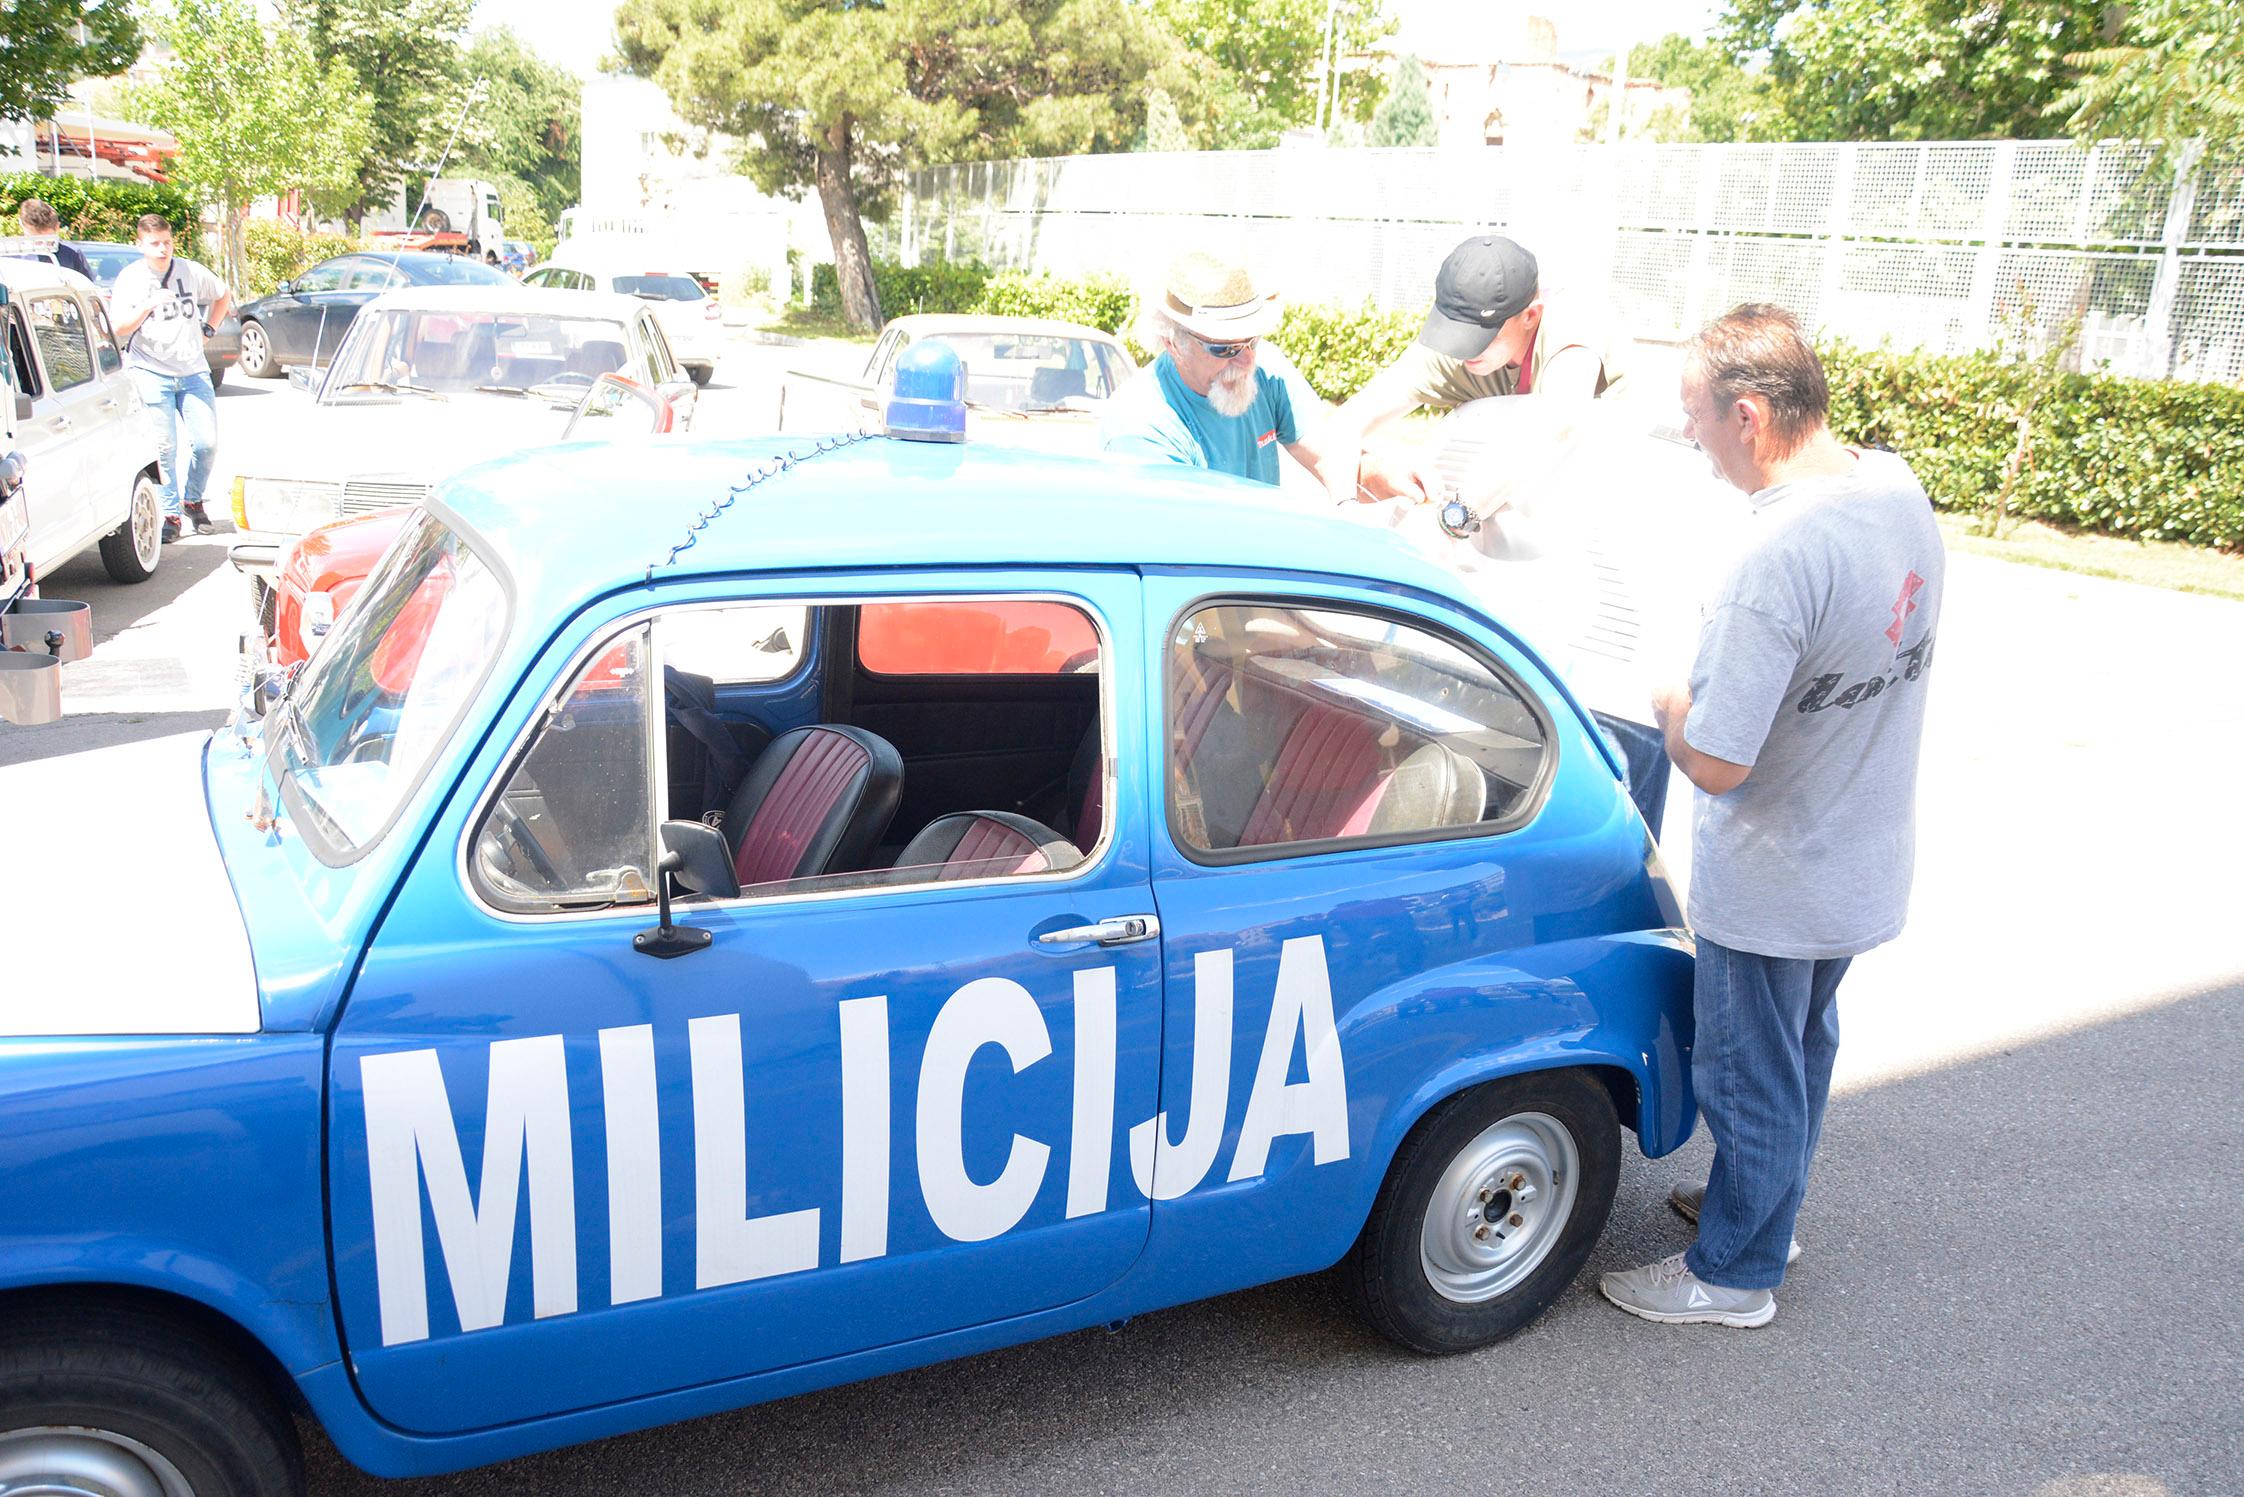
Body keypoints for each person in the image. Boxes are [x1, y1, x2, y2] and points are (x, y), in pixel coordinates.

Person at [1598, 303, 1945, 1328]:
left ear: (1747, 416)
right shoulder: (1893, 486)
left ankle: (1735, 1272)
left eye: (1696, 420)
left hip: (1778, 869)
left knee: (1748, 1070)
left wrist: (1665, 700)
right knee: (1801, 1048)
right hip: (1860, 850)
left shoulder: (1773, 564)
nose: (1694, 443)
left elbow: (1714, 759)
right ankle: (1767, 1207)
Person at [1099, 251, 1345, 489]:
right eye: (1225, 349)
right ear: (1172, 343)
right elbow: (1181, 527)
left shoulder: (1267, 370)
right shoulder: (1140, 427)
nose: (1248, 361)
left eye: (1253, 341)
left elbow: (1335, 456)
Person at [110, 213, 231, 541]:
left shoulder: (190, 271)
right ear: (141, 245)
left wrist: (209, 328)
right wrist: (148, 305)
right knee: (165, 447)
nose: (163, 249)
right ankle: (171, 515)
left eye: (167, 242)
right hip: (151, 371)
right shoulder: (131, 278)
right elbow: (118, 327)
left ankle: (193, 499)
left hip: (192, 371)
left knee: (206, 443)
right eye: (155, 244)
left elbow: (223, 294)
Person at [16, 198, 92, 280]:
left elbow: (89, 289)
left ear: (57, 227)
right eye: (33, 239)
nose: (40, 244)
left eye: (46, 238)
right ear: (21, 224)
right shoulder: (10, 256)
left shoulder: (72, 254)